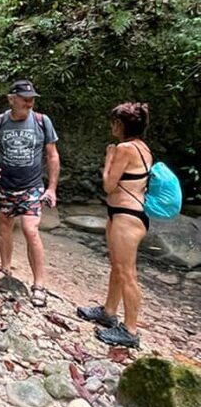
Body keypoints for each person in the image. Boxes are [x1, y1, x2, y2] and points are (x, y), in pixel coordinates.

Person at [0, 80, 60, 307]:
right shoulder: (0, 122)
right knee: (4, 226)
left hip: (31, 187)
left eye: (32, 98)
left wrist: (51, 188)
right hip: (4, 186)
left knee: (31, 231)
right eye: (25, 98)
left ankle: (39, 285)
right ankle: (5, 268)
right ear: (12, 99)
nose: (29, 102)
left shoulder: (42, 121)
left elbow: (53, 156)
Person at [77, 103, 152, 348]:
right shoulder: (143, 147)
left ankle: (131, 330)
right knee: (118, 267)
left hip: (126, 216)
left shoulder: (124, 149)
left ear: (120, 125)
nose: (112, 126)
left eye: (113, 122)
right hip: (123, 214)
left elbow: (109, 185)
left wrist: (109, 158)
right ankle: (108, 312)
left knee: (127, 273)